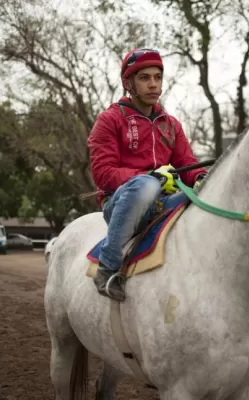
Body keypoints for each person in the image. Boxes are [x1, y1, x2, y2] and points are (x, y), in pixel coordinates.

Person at [87, 48, 208, 301]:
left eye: (157, 77)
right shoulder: (109, 120)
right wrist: (152, 177)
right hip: (121, 204)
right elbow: (103, 174)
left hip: (163, 204)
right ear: (128, 83)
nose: (153, 84)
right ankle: (107, 268)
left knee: (204, 195)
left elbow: (187, 162)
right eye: (144, 78)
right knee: (144, 185)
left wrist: (199, 177)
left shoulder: (172, 124)